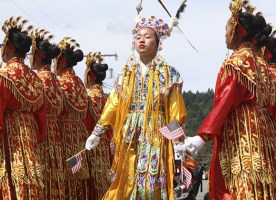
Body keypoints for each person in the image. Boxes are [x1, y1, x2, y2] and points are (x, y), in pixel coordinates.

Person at [179, 1, 276, 199]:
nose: (224, 34)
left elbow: (225, 101)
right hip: (259, 135)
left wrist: (202, 136)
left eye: (226, 28)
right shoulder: (261, 65)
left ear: (237, 30)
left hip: (242, 133)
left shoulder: (239, 61)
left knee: (236, 184)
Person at [85, 15, 186, 199]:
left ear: (158, 41)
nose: (142, 40)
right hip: (130, 134)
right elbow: (113, 104)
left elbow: (175, 110)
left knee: (150, 184)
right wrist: (97, 132)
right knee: (125, 182)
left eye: (147, 36)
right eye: (139, 36)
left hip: (156, 133)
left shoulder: (169, 74)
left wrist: (178, 142)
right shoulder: (126, 74)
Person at [0, 16, 46, 199]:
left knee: (10, 178)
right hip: (30, 138)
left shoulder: (5, 75)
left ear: (10, 47)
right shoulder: (35, 79)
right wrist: (37, 138)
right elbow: (41, 117)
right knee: (29, 181)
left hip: (10, 136)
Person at [29, 28, 65, 199]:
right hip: (56, 132)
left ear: (37, 56)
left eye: (31, 54)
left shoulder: (38, 79)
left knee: (43, 172)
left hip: (41, 130)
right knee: (54, 172)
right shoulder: (57, 82)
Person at [54, 37, 89, 199]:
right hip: (79, 134)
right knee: (77, 177)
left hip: (64, 134)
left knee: (66, 176)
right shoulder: (80, 83)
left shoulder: (61, 83)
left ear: (61, 62)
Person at [84, 53, 111, 199]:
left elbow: (87, 123)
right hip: (104, 147)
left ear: (91, 76)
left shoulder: (90, 97)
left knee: (94, 183)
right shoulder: (105, 97)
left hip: (92, 144)